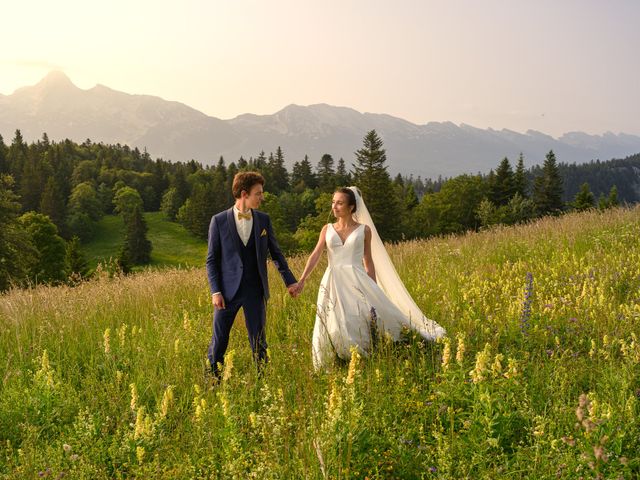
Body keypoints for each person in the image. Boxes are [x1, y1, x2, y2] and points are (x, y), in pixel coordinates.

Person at [295, 187, 446, 370]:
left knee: (356, 316)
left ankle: (361, 353)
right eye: (333, 202)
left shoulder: (364, 230)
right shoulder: (327, 229)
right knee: (331, 316)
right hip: (333, 279)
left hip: (356, 278)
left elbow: (368, 261)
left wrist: (373, 289)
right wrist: (302, 279)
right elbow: (316, 254)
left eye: (339, 203)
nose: (334, 206)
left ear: (351, 207)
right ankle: (337, 354)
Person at [206, 171, 298, 382]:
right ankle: (213, 380)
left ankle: (263, 382)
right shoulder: (218, 221)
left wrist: (290, 281)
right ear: (244, 193)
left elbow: (276, 253)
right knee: (219, 339)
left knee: (258, 340)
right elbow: (211, 260)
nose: (262, 197)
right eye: (259, 193)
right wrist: (216, 291)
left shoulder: (264, 220)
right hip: (226, 293)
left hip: (255, 290)